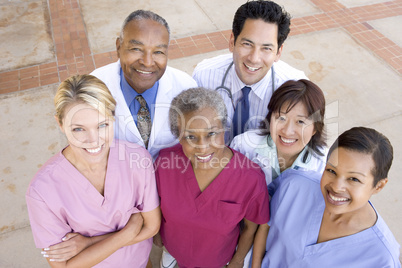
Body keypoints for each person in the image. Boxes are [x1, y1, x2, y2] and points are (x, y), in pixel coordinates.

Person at [26, 74, 161, 267]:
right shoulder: (41, 192)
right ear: (60, 124)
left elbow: (152, 226)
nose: (93, 140)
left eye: (102, 125)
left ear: (113, 118)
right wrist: (127, 233)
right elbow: (63, 265)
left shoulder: (137, 159)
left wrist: (89, 243)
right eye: (79, 129)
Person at [154, 87, 270, 268]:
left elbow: (250, 227)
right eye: (190, 136)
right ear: (178, 137)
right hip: (172, 249)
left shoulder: (251, 178)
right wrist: (157, 235)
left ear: (224, 129)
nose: (202, 146)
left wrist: (238, 260)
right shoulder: (164, 163)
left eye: (211, 133)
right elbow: (156, 206)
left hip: (216, 261)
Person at [258, 127, 401, 267]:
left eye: (354, 179)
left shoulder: (382, 258)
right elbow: (262, 227)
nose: (336, 187)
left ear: (379, 186)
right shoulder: (294, 185)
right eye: (331, 170)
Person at [193, 0, 307, 143]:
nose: (254, 59)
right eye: (247, 44)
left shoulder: (296, 88)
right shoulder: (204, 76)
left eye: (266, 48)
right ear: (232, 42)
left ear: (278, 52)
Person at [91, 10, 197, 160]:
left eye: (158, 52)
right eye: (136, 49)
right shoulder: (94, 87)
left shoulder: (185, 86)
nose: (147, 62)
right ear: (118, 47)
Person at [231, 79, 327, 185]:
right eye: (281, 118)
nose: (287, 131)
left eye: (300, 122)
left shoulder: (325, 165)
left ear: (315, 128)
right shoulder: (243, 146)